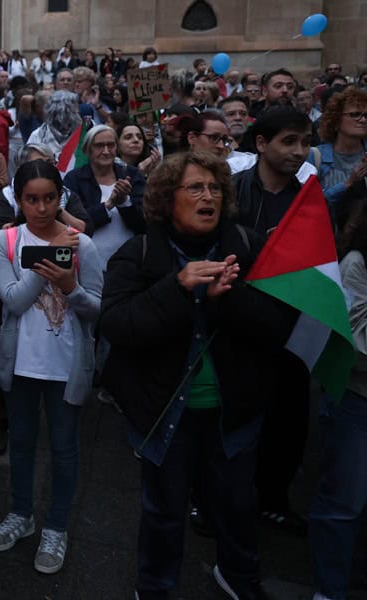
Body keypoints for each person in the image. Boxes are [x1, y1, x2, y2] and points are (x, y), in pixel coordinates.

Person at [99, 151, 295, 599]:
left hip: (233, 413)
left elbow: (278, 326)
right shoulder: (141, 251)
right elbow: (117, 324)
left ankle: (239, 577)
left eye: (214, 189)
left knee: (237, 507)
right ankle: (154, 588)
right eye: (195, 188)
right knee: (164, 512)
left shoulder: (247, 247)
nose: (208, 196)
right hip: (165, 413)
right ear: (168, 199)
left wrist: (229, 300)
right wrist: (178, 288)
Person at [0, 159, 102, 575]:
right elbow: (12, 300)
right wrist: (48, 265)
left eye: (49, 198)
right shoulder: (4, 241)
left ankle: (56, 526)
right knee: (21, 442)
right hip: (21, 363)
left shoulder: (83, 245)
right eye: (31, 199)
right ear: (18, 200)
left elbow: (97, 309)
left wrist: (70, 286)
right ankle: (21, 512)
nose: (41, 208)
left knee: (65, 448)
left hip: (66, 364)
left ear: (60, 197)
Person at [234, 106, 314, 533]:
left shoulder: (310, 200)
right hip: (238, 330)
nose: (299, 152)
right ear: (262, 144)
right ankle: (214, 499)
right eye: (289, 141)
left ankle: (273, 498)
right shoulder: (232, 192)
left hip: (292, 330)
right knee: (234, 421)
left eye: (304, 142)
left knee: (287, 422)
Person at [311, 193, 367, 600]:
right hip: (357, 400)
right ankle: (329, 591)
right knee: (343, 503)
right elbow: (352, 341)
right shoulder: (357, 265)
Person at [62, 125, 147, 266]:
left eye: (111, 145)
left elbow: (144, 222)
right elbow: (73, 223)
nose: (106, 151)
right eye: (99, 146)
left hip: (130, 262)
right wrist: (108, 205)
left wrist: (125, 202)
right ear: (88, 150)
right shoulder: (74, 180)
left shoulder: (132, 175)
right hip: (88, 263)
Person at [316, 88, 367, 205]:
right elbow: (311, 202)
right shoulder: (316, 156)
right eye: (355, 114)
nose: (363, 120)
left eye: (366, 115)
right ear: (336, 119)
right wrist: (348, 182)